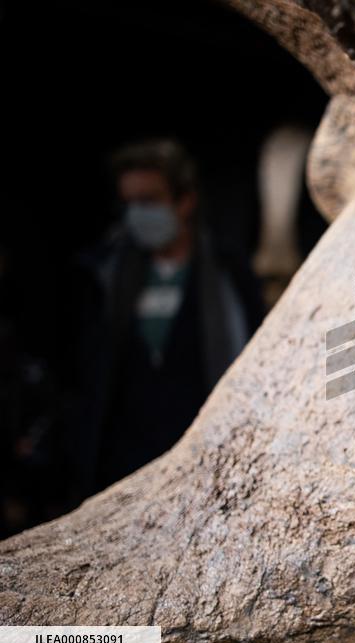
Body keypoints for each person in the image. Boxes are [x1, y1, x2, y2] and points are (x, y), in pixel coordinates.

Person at [73, 139, 264, 497]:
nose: (137, 215)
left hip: (201, 462)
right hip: (122, 468)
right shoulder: (104, 276)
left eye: (148, 201)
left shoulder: (228, 277)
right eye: (128, 203)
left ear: (185, 200)